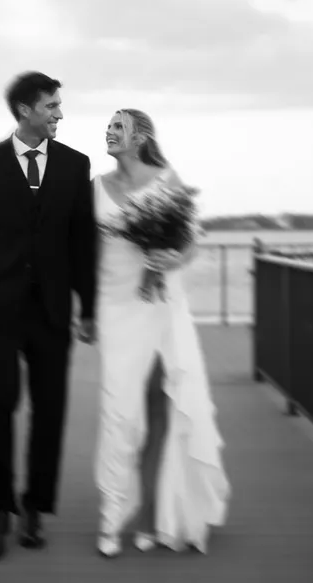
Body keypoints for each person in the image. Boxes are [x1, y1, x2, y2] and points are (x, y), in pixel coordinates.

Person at [0, 71, 96, 562]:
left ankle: (35, 507)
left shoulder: (75, 164)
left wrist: (89, 307)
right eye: (52, 106)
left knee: (50, 410)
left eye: (59, 106)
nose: (60, 114)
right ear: (26, 110)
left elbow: (82, 242)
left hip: (51, 309)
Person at [93, 108, 230, 557]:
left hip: (160, 306)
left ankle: (153, 514)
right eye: (108, 126)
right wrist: (84, 311)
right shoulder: (95, 187)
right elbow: (88, 252)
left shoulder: (167, 179)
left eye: (118, 126)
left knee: (159, 406)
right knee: (118, 410)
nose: (109, 132)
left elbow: (188, 242)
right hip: (114, 306)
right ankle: (111, 513)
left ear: (140, 138)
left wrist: (172, 259)